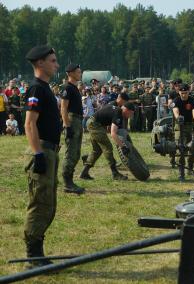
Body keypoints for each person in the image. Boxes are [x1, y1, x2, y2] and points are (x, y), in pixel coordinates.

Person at [23, 45, 61, 268]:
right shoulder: (37, 89)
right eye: (53, 61)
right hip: (42, 150)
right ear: (40, 63)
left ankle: (37, 250)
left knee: (48, 203)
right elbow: (29, 124)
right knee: (40, 203)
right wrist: (38, 154)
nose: (56, 64)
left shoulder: (45, 88)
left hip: (49, 151)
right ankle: (33, 255)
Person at [79, 102, 135, 180]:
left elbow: (108, 120)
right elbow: (113, 133)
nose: (130, 116)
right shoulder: (119, 113)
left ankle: (84, 173)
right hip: (95, 124)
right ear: (126, 110)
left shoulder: (116, 109)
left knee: (97, 150)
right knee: (108, 147)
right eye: (131, 113)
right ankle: (115, 173)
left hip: (92, 122)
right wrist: (123, 147)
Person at [61, 63, 85, 194]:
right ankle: (67, 183)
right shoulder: (67, 88)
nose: (80, 73)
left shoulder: (74, 88)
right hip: (72, 120)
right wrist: (67, 125)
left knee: (76, 153)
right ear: (70, 73)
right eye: (78, 72)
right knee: (71, 152)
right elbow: (63, 107)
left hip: (77, 120)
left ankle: (69, 181)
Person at [172, 83, 194, 181]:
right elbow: (175, 111)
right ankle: (181, 173)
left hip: (190, 125)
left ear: (189, 92)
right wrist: (178, 118)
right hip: (179, 126)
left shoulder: (193, 101)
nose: (183, 95)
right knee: (181, 148)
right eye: (182, 93)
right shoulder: (176, 100)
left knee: (192, 148)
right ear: (179, 92)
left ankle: (190, 169)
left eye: (185, 93)